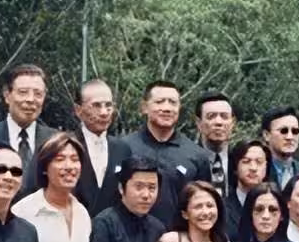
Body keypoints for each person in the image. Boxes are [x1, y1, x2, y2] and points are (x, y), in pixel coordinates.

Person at [122, 80, 212, 225]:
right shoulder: (124, 148)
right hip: (129, 233)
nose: (167, 108)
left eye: (173, 103)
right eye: (159, 102)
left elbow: (203, 204)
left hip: (178, 235)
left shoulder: (197, 155)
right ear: (144, 107)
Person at [0, 64, 56, 198]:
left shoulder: (55, 141)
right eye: (23, 92)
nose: (30, 99)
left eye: (38, 94)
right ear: (7, 95)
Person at [72, 79, 131, 216]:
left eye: (108, 106)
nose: (104, 112)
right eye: (96, 106)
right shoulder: (66, 146)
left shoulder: (122, 149)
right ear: (78, 110)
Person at [222, 140, 269, 241]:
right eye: (246, 161)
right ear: (235, 167)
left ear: (266, 167)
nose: (253, 168)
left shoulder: (277, 207)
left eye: (259, 162)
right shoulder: (221, 208)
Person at [194, 92, 236, 196]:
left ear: (232, 123)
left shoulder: (240, 161)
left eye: (224, 117)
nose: (218, 122)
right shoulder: (188, 161)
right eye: (211, 116)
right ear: (198, 123)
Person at [260, 107, 299, 188]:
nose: (290, 137)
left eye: (295, 131)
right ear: (266, 135)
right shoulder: (256, 171)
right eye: (283, 131)